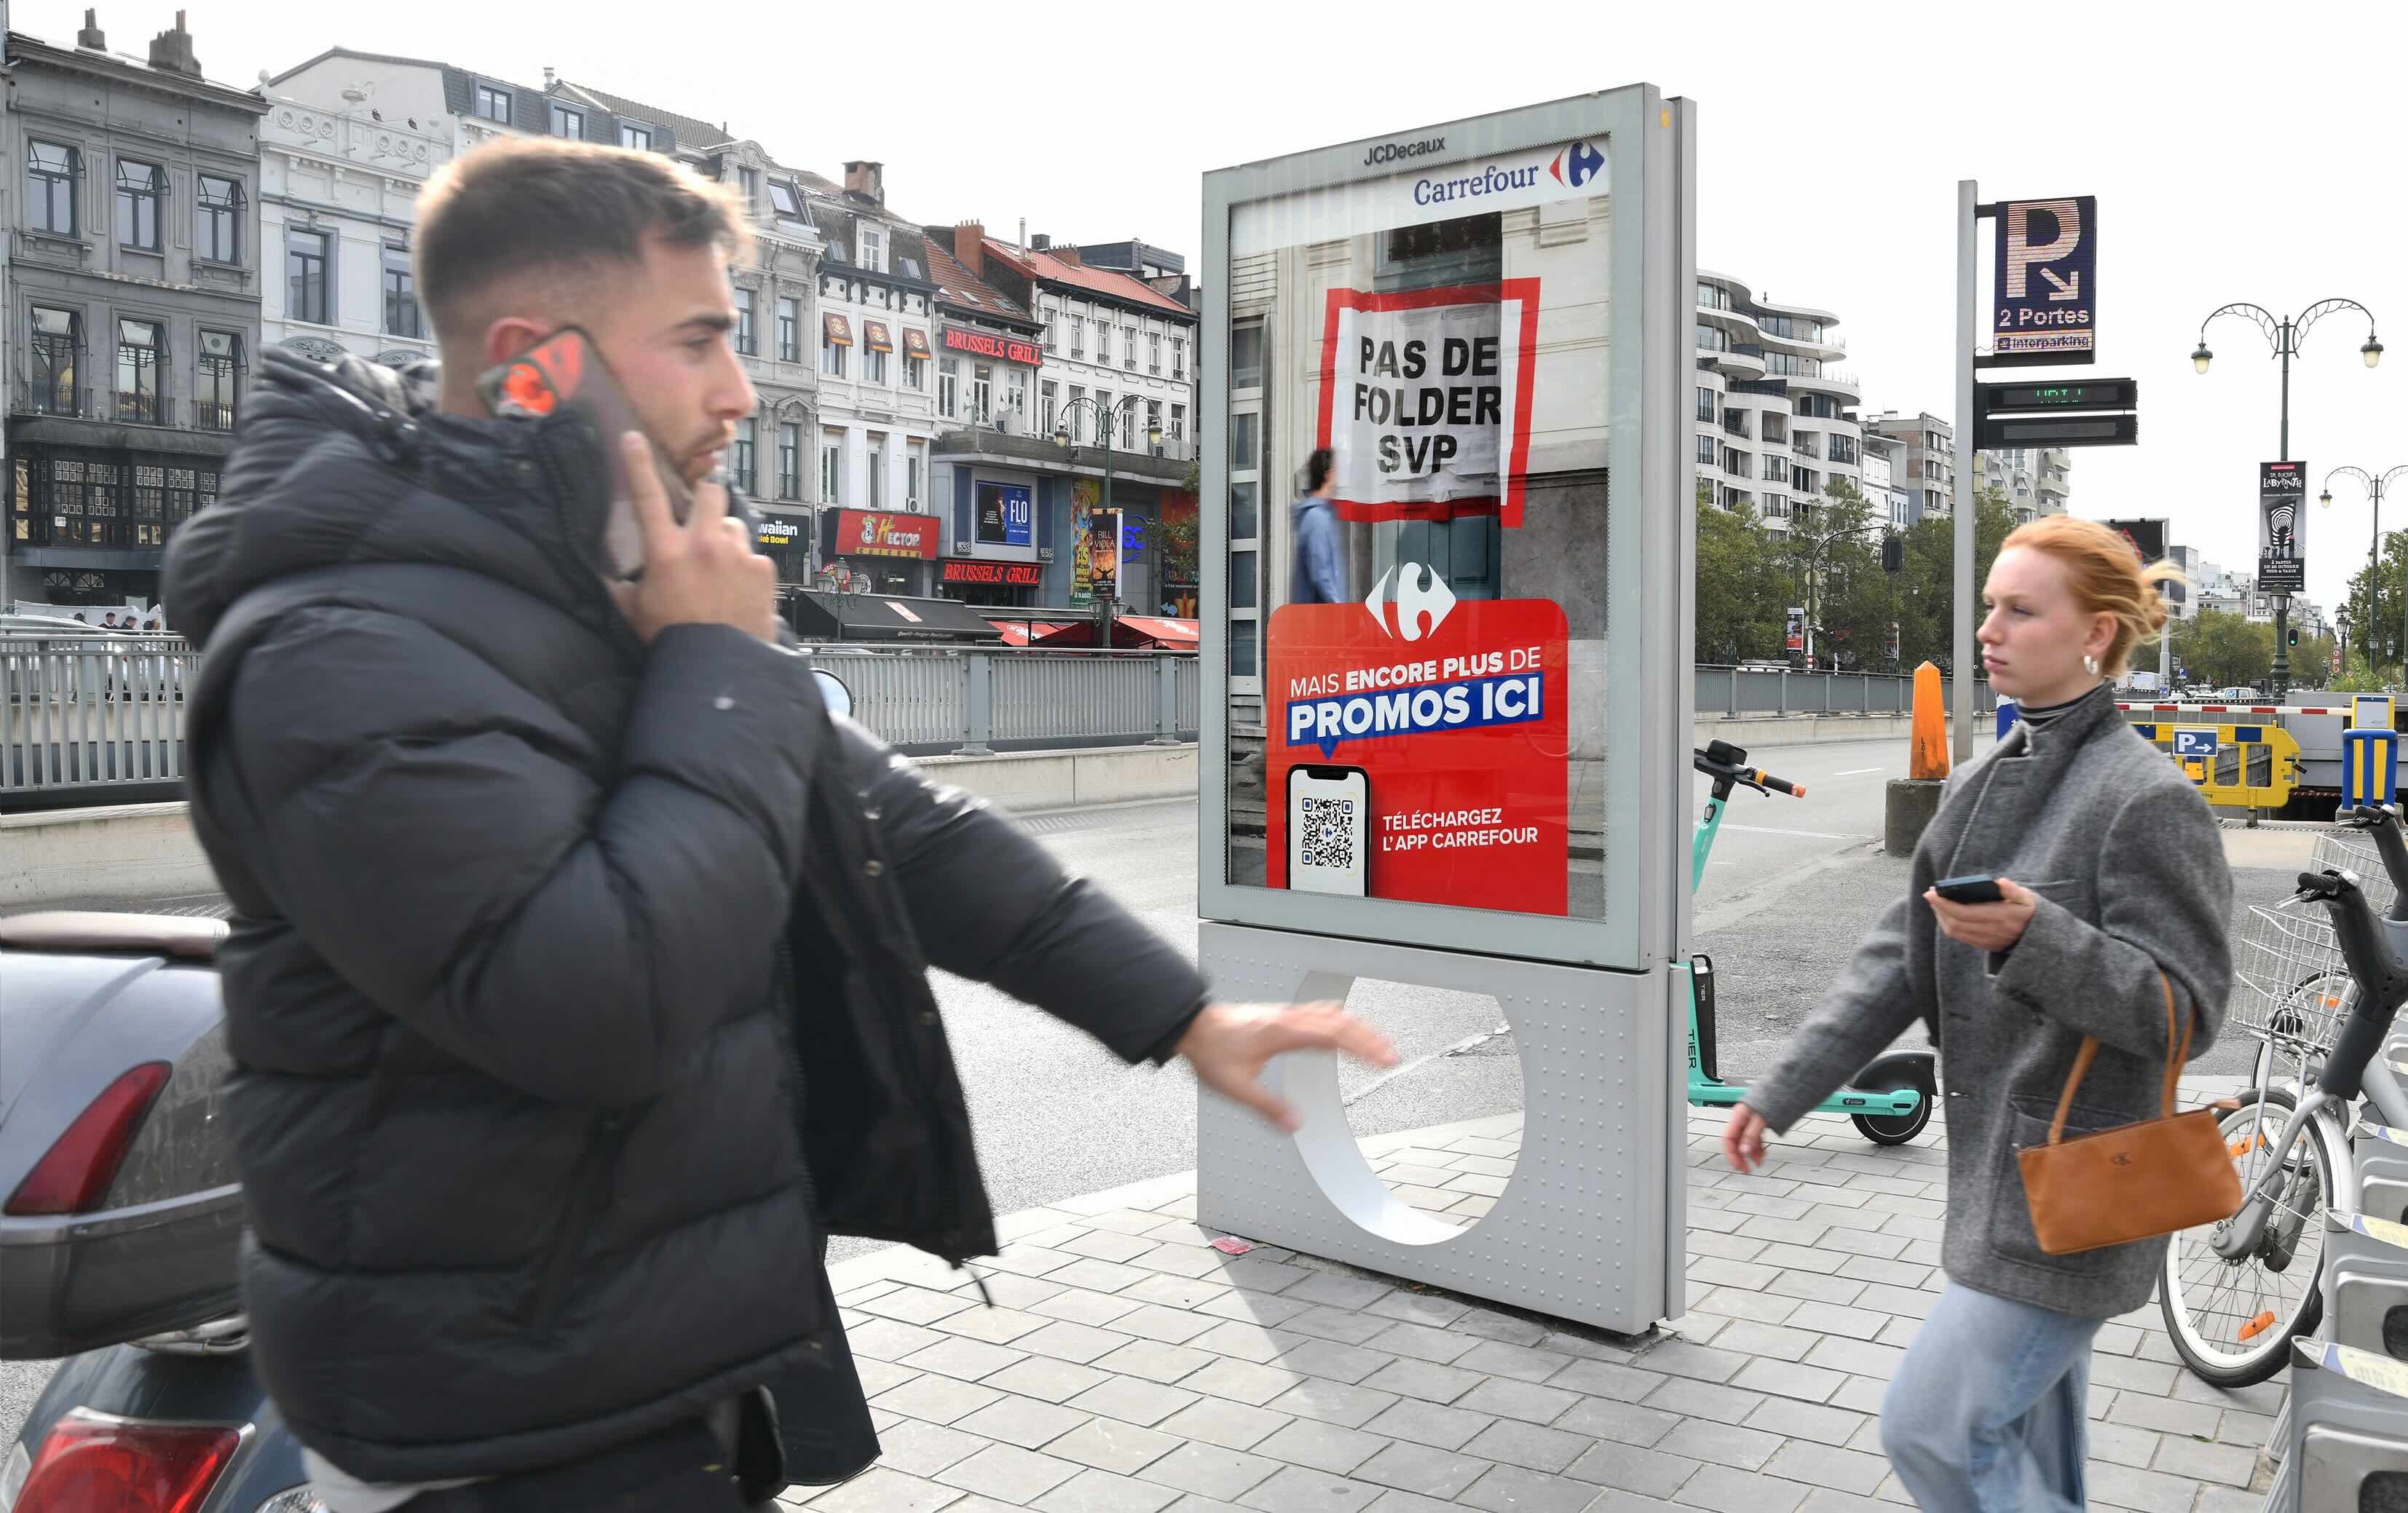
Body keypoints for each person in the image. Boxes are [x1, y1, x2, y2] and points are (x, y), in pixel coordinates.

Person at [163, 135, 1394, 1513]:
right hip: (494, 1427)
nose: (741, 394)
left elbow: (901, 831)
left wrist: (1182, 1015)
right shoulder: (337, 644)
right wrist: (720, 667)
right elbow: (596, 1001)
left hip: (658, 1371)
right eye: (696, 343)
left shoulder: (604, 583)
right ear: (534, 365)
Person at [1720, 517, 2230, 1512]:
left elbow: (2185, 1011)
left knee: (1933, 1430)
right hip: (2008, 1182)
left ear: (2094, 632)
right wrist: (1783, 1089)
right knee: (2030, 1460)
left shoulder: (2143, 797)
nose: (1987, 629)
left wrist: (2032, 936)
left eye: (2017, 609)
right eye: (1988, 605)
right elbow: (1894, 961)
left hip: (2070, 1195)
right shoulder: (1979, 779)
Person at [1291, 447, 1346, 604]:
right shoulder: (1317, 518)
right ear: (1328, 474)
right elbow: (1322, 574)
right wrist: (1340, 610)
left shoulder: (1322, 515)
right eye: (1337, 472)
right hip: (1323, 618)